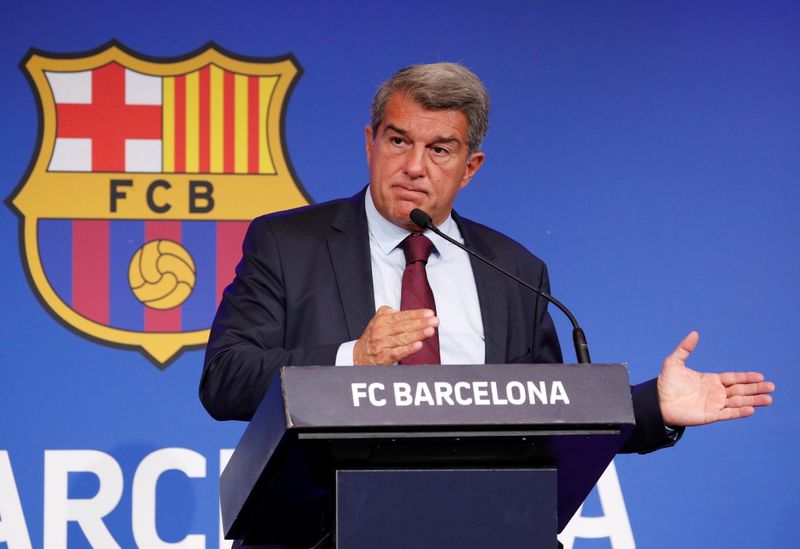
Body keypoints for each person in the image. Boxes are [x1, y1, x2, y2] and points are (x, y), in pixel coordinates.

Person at [200, 63, 774, 452]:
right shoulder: (287, 243)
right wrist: (354, 358)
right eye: (398, 141)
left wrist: (653, 407)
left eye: (439, 149)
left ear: (470, 167)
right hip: (328, 524)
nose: (415, 166)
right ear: (369, 142)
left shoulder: (515, 273)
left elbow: (553, 414)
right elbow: (225, 380)